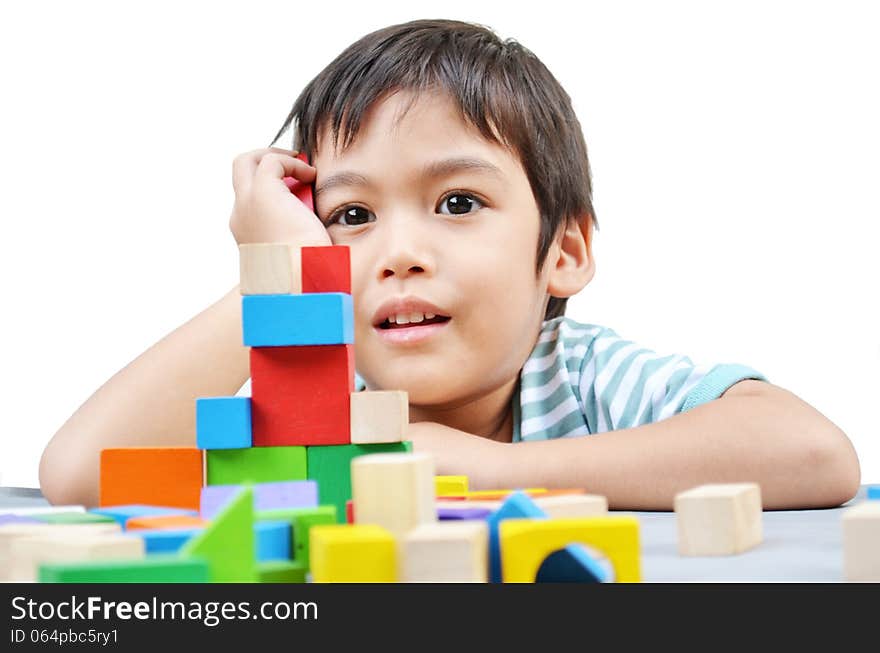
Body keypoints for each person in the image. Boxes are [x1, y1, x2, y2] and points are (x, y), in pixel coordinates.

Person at [40, 18, 860, 510]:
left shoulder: (581, 377)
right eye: (352, 216)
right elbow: (80, 475)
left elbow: (815, 454)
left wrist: (500, 470)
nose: (398, 254)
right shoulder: (313, 396)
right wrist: (276, 274)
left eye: (458, 203)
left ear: (564, 253)